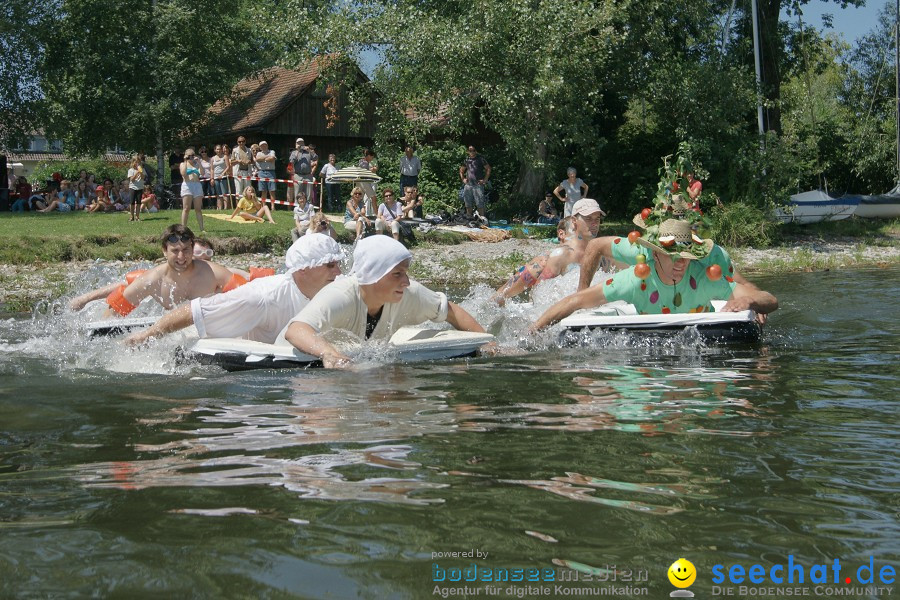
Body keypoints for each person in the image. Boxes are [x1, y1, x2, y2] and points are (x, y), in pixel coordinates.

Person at [531, 217, 778, 331]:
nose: (682, 262)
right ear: (655, 254)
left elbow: (770, 298)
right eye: (674, 255)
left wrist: (751, 301)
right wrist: (529, 336)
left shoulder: (706, 273)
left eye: (687, 255)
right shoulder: (635, 276)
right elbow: (574, 301)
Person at [284, 236, 487, 368]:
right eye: (397, 274)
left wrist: (488, 343)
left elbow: (450, 311)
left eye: (405, 274)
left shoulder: (408, 293)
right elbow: (296, 330)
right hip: (290, 363)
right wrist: (328, 353)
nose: (406, 282)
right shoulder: (340, 295)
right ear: (374, 275)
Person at [124, 234, 343, 346]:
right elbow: (196, 311)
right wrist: (146, 336)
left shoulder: (336, 290)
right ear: (302, 270)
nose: (339, 273)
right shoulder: (263, 297)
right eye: (330, 265)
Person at [100, 225, 237, 318]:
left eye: (186, 250)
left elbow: (247, 293)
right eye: (175, 251)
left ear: (192, 249)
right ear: (165, 251)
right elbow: (113, 312)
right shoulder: (152, 280)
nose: (181, 257)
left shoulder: (211, 272)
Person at [493, 217, 587, 306]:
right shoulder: (543, 261)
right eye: (575, 229)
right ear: (561, 234)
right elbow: (504, 293)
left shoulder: (589, 255)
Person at [459, 145, 491, 221]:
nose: (472, 152)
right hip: (468, 185)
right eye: (470, 150)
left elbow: (488, 169)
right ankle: (469, 220)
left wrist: (485, 180)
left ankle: (482, 220)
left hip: (478, 185)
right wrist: (463, 179)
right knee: (468, 203)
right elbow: (461, 170)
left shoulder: (481, 159)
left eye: (473, 150)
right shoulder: (467, 160)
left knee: (479, 203)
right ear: (468, 152)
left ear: (476, 151)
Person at [180, 148, 205, 232]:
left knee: (198, 208)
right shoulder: (182, 164)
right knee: (186, 208)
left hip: (197, 185)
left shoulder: (196, 164)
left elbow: (202, 173)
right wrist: (185, 161)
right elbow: (183, 173)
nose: (191, 157)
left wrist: (199, 162)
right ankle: (183, 228)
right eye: (189, 156)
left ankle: (202, 229)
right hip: (187, 185)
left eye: (192, 155)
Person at [288, 137, 314, 205]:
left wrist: (310, 151)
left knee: (308, 194)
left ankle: (308, 209)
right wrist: (297, 151)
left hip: (308, 175)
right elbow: (291, 161)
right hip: (298, 175)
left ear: (304, 143)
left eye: (301, 143)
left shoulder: (308, 152)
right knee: (297, 193)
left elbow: (315, 157)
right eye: (298, 143)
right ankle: (297, 208)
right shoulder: (294, 152)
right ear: (296, 144)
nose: (300, 144)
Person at [255, 140, 277, 210]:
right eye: (262, 146)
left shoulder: (272, 151)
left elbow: (272, 158)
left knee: (272, 190)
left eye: (265, 145)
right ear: (260, 147)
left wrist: (263, 159)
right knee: (263, 190)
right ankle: (264, 206)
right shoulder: (258, 153)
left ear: (267, 145)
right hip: (261, 172)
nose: (264, 146)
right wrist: (267, 158)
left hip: (271, 172)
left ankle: (273, 207)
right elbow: (257, 159)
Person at [210, 145, 232, 210]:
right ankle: (219, 208)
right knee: (218, 194)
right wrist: (212, 178)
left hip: (224, 177)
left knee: (224, 193)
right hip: (216, 178)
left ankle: (226, 208)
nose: (218, 150)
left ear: (222, 150)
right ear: (215, 150)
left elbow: (228, 166)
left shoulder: (225, 157)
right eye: (217, 149)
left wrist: (222, 174)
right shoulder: (212, 158)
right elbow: (212, 169)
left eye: (220, 149)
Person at [127, 154, 145, 222]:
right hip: (132, 187)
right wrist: (137, 172)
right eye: (136, 162)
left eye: (138, 162)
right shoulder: (130, 170)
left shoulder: (142, 169)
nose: (137, 163)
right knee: (132, 203)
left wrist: (141, 172)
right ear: (133, 162)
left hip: (140, 188)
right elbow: (132, 179)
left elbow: (143, 178)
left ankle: (137, 216)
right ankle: (131, 216)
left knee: (138, 203)